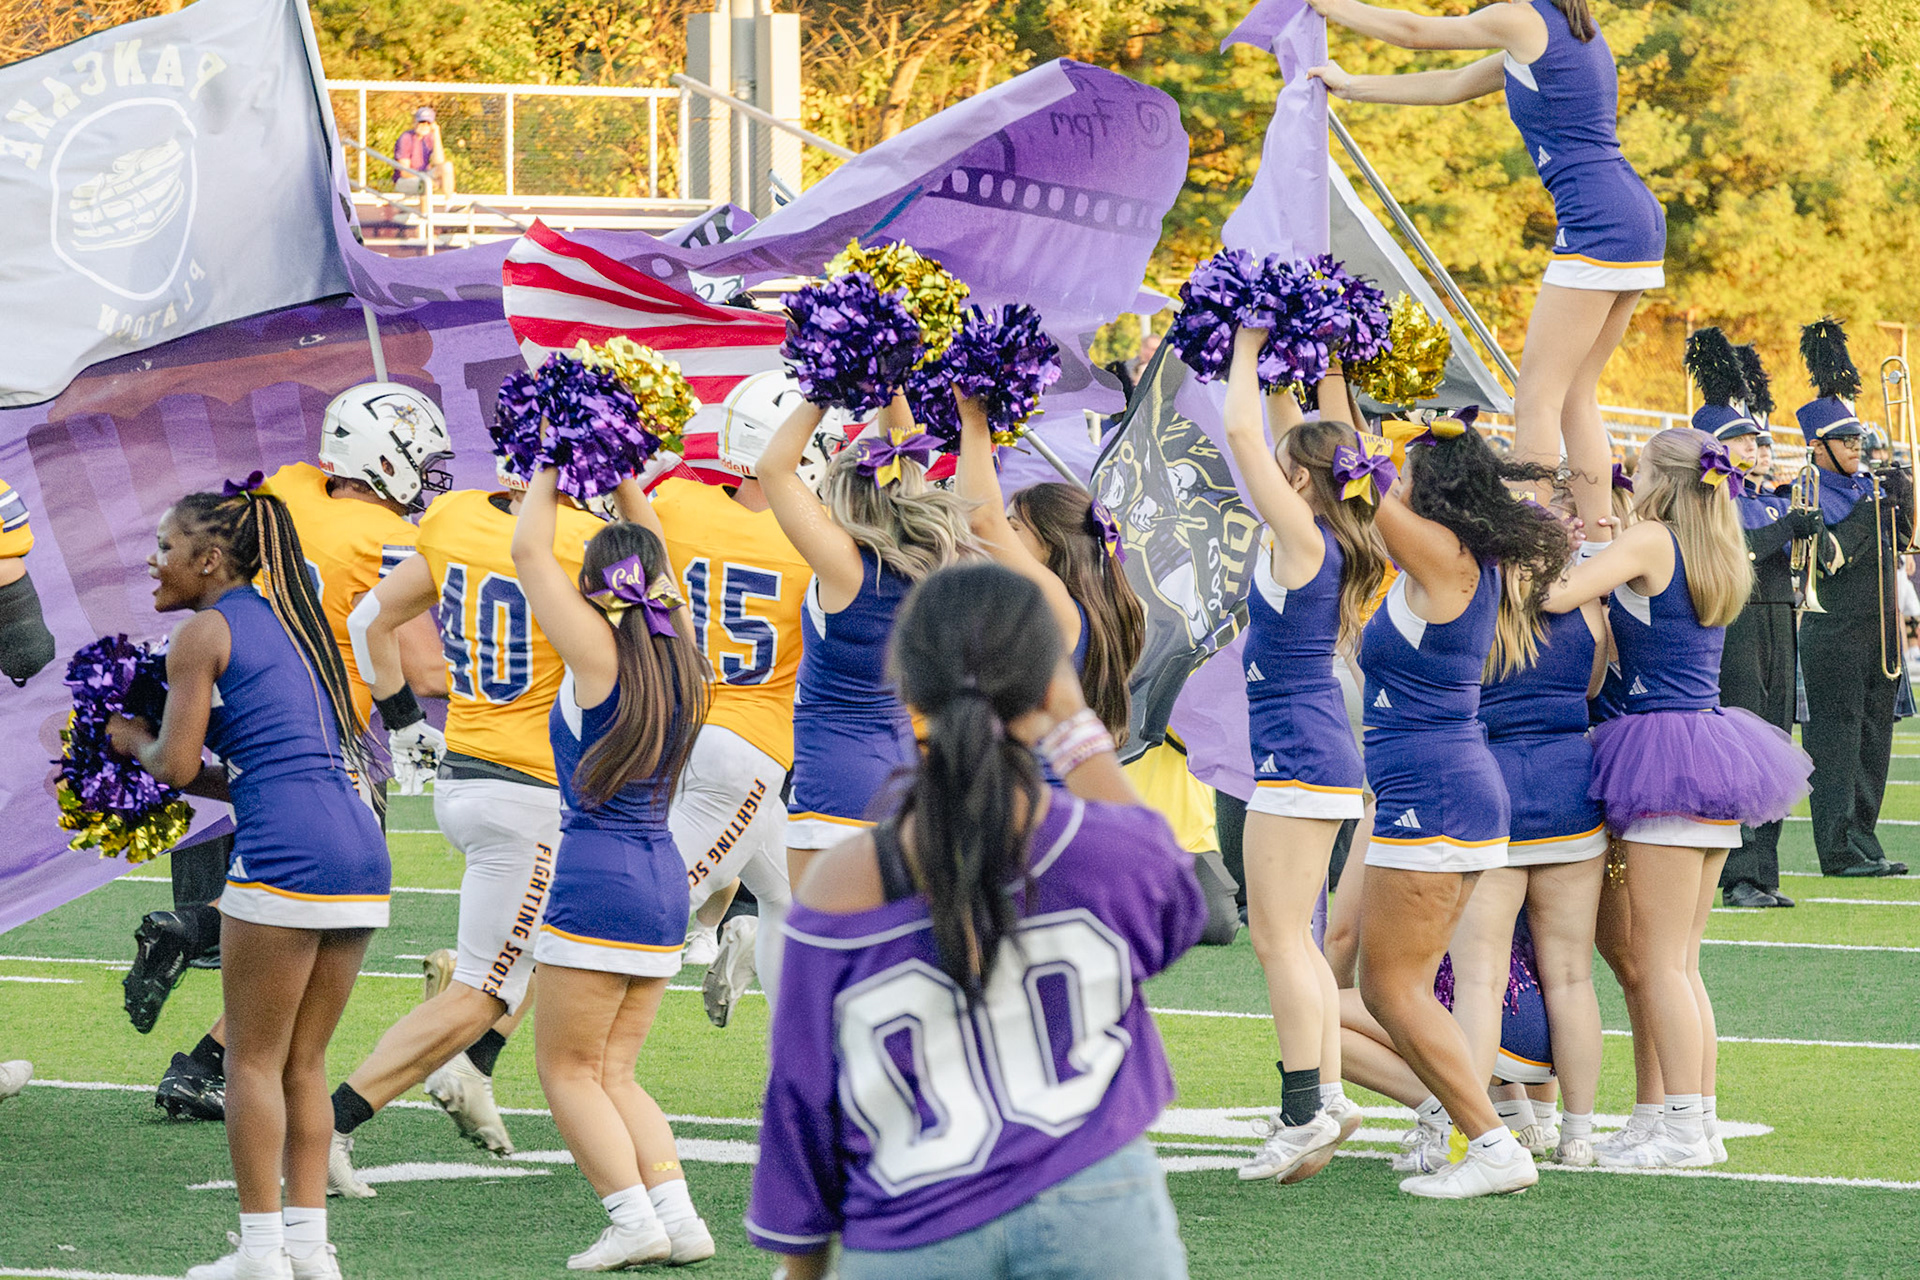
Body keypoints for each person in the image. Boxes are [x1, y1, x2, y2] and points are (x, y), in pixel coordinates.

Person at [746, 563, 1204, 1280]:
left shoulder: (842, 882)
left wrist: (803, 1264)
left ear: (905, 686)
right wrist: (1075, 726)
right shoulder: (1099, 849)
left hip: (910, 1224)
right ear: (1050, 682)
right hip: (1097, 1205)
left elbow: (804, 1090)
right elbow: (1179, 898)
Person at [133, 384, 451, 1122]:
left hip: (240, 711)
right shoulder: (383, 538)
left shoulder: (278, 493)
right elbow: (425, 668)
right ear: (387, 458)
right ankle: (200, 949)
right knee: (334, 911)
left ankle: (203, 1059)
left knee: (290, 904)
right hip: (326, 733)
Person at [109, 482, 390, 1279]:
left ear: (209, 559)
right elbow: (250, 772)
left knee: (252, 1062)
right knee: (305, 1062)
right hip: (360, 849)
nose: (154, 562)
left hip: (289, 855)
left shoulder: (204, 633)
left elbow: (175, 762)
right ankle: (311, 1249)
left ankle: (261, 1252)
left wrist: (126, 739)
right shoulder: (296, 630)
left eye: (166, 548)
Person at [324, 450, 607, 1194]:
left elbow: (368, 618)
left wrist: (404, 721)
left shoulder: (455, 516)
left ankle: (473, 1070)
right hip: (529, 791)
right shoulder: (588, 542)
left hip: (468, 772)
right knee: (482, 988)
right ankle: (332, 1124)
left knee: (566, 940)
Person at [1545, 427, 1813, 1169]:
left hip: (1661, 751)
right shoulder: (1716, 538)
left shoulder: (1651, 540)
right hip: (1714, 748)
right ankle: (1695, 1121)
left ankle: (1686, 1131)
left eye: (1636, 470)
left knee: (1663, 963)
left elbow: (1555, 592)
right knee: (1683, 964)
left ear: (1658, 478)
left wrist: (1562, 547)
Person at [1306, 0, 1664, 538]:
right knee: (1575, 394)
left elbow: (1413, 30)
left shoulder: (1523, 17)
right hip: (1633, 216)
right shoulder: (1566, 30)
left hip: (1598, 220)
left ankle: (1530, 540)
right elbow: (1449, 84)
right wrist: (1352, 86)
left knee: (1536, 397)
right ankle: (1598, 538)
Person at [1354, 410, 1570, 1199]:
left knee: (1396, 988)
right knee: (1393, 985)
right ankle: (1477, 1131)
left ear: (1431, 489)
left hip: (1437, 792)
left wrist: (1331, 385)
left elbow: (1353, 484)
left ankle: (1488, 1141)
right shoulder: (1444, 556)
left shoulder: (1446, 555)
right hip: (1435, 789)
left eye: (1407, 472)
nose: (1394, 481)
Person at [511, 465, 717, 1270]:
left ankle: (632, 1219)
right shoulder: (681, 650)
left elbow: (530, 550)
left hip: (597, 879)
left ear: (595, 591)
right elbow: (660, 564)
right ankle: (678, 1217)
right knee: (617, 1073)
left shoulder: (598, 653)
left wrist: (551, 461)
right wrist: (626, 472)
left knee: (566, 1071)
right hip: (666, 880)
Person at [1215, 329, 1384, 1182]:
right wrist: (1299, 357)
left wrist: (1243, 346)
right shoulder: (1329, 530)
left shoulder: (1306, 535)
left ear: (1302, 481)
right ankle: (1327, 1094)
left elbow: (1248, 438)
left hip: (1297, 750)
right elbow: (1291, 436)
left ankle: (1303, 1109)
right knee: (1300, 939)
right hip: (1317, 746)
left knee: (1278, 936)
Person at [1440, 492, 1609, 1172]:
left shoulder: (1471, 611)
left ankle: (1478, 1131)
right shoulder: (1587, 608)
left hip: (1492, 789)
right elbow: (1593, 687)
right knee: (1571, 976)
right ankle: (1581, 1133)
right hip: (1573, 788)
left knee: (1479, 979)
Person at [759, 396, 979, 894]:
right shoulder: (934, 565)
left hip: (836, 782)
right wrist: (890, 379)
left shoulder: (845, 565)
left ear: (845, 499)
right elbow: (904, 452)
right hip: (902, 773)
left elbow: (774, 471)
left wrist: (821, 387)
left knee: (826, 955)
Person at [652, 374, 814, 1029]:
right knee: (649, 908)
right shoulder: (818, 540)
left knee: (791, 896)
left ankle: (796, 1058)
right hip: (747, 744)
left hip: (677, 727)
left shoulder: (677, 503)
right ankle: (488, 1006)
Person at [1692, 337, 1809, 908]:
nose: (1751, 447)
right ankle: (1737, 874)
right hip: (1737, 624)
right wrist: (1788, 529)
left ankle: (1765, 871)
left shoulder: (1760, 496)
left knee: (1777, 743)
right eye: (1739, 439)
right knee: (1744, 743)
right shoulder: (1709, 498)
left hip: (1777, 619)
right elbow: (1736, 552)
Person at [955, 394, 1145, 745]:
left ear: (1053, 546)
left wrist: (974, 416)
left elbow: (981, 519)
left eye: (1014, 528)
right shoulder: (1048, 608)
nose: (1003, 537)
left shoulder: (1061, 607)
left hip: (1039, 792)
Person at [1796, 321, 1914, 878]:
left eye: (1859, 440)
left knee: (1874, 739)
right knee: (1837, 741)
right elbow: (1832, 556)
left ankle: (1862, 836)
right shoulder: (1807, 489)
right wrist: (1876, 508)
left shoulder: (1872, 485)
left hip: (1879, 631)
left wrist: (1904, 497)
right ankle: (1835, 847)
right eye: (1846, 442)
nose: (1857, 449)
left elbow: (1908, 545)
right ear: (1819, 447)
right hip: (1834, 631)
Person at [394, 107, 455, 197]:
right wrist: (427, 179)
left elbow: (439, 161)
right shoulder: (406, 138)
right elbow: (404, 172)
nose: (424, 126)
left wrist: (436, 133)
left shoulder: (429, 137)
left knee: (447, 166)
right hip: (405, 180)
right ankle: (425, 211)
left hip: (423, 176)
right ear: (415, 122)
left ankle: (449, 204)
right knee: (426, 184)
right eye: (421, 122)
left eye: (428, 123)